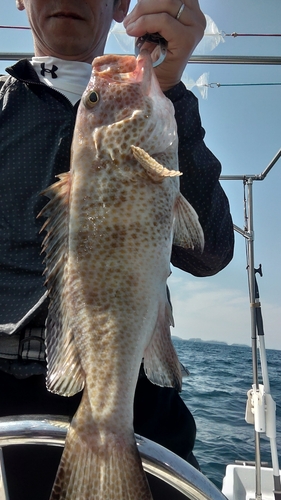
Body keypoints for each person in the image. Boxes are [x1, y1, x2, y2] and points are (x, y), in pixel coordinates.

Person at [0, 0, 234, 499]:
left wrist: (169, 88)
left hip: (141, 403)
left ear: (120, 5)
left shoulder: (159, 108)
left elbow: (210, 252)